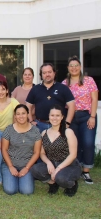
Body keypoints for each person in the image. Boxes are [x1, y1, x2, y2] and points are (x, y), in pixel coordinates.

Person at [62, 56, 98, 184]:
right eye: (71, 65)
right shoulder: (64, 83)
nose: (74, 68)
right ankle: (75, 169)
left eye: (76, 65)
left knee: (88, 143)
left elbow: (94, 99)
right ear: (68, 68)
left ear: (80, 67)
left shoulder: (89, 80)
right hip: (71, 117)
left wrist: (93, 116)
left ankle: (86, 171)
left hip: (87, 116)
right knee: (74, 145)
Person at [31, 105, 81, 197]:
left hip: (69, 164)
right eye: (52, 115)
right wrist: (49, 163)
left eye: (57, 115)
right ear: (49, 116)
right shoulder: (44, 133)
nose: (54, 118)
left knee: (61, 178)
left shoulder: (68, 132)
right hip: (52, 163)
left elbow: (73, 155)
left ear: (62, 117)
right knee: (34, 170)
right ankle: (52, 183)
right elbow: (42, 153)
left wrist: (58, 168)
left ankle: (72, 185)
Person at [1, 104, 42, 195]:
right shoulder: (9, 129)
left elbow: (36, 152)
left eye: (23, 113)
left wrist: (27, 168)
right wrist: (11, 167)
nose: (21, 116)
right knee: (10, 190)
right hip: (10, 163)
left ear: (28, 114)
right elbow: (4, 149)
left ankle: (23, 177)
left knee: (27, 191)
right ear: (15, 116)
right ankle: (12, 176)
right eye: (18, 114)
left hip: (27, 164)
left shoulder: (35, 131)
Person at [26, 63, 75, 133]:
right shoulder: (35, 89)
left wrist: (67, 123)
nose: (47, 74)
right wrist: (31, 121)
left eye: (49, 72)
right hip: (39, 126)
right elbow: (28, 106)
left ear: (54, 73)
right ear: (41, 75)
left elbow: (72, 105)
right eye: (44, 73)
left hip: (59, 125)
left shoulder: (63, 88)